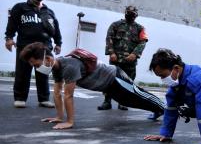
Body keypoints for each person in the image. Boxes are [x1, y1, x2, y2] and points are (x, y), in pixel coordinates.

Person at [20, 42, 165, 130]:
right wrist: (59, 117)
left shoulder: (69, 66)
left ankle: (165, 108)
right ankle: (158, 110)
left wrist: (69, 122)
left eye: (37, 64)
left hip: (115, 77)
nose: (36, 68)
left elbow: (68, 95)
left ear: (48, 58)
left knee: (138, 95)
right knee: (128, 101)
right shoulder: (57, 68)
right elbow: (57, 93)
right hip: (107, 85)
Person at [4, 0, 62, 108]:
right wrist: (9, 38)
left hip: (45, 47)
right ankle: (20, 98)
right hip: (26, 46)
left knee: (44, 72)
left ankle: (44, 99)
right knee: (23, 72)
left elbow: (56, 29)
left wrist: (58, 43)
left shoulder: (49, 11)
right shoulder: (20, 8)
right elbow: (12, 24)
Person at [98, 5, 148, 111]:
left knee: (128, 83)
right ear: (125, 13)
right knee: (110, 81)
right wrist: (111, 53)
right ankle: (107, 102)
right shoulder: (116, 25)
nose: (131, 16)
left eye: (133, 14)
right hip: (115, 60)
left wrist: (134, 54)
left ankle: (123, 102)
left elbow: (143, 42)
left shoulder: (140, 28)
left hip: (130, 62)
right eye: (129, 13)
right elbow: (109, 38)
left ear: (136, 16)